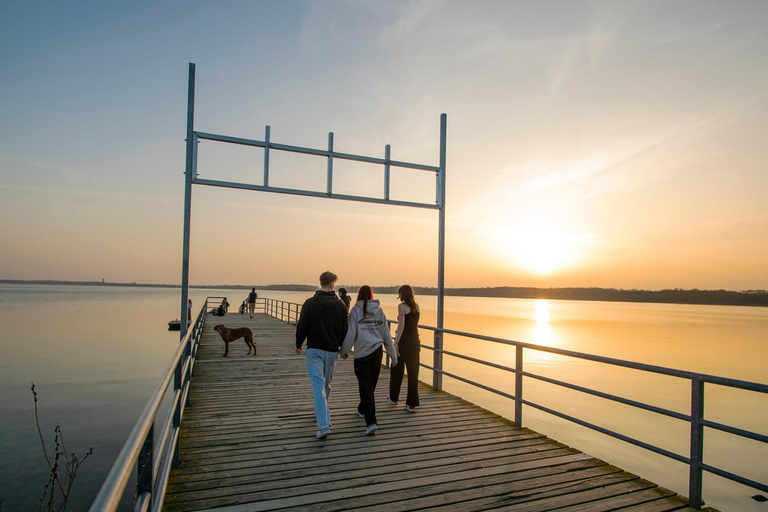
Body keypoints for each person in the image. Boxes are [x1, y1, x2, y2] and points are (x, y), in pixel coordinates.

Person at [296, 271, 348, 439]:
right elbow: (344, 329)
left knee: (318, 385)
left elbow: (303, 324)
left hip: (314, 350)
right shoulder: (340, 305)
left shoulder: (310, 303)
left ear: (321, 283)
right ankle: (323, 416)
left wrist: (299, 343)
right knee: (326, 384)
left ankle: (324, 424)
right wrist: (344, 349)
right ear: (333, 284)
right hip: (332, 350)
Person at [341, 286, 398, 436]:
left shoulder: (355, 311)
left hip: (362, 354)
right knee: (370, 385)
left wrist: (344, 351)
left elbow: (351, 333)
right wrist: (393, 356)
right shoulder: (379, 311)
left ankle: (371, 422)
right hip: (377, 352)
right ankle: (362, 409)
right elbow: (387, 336)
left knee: (366, 387)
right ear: (372, 295)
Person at [388, 284, 421, 413]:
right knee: (413, 373)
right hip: (415, 341)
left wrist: (396, 343)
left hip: (404, 342)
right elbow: (412, 324)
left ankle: (393, 398)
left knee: (397, 370)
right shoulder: (417, 307)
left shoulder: (402, 307)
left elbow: (401, 326)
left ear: (402, 294)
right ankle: (411, 404)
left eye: (399, 293)